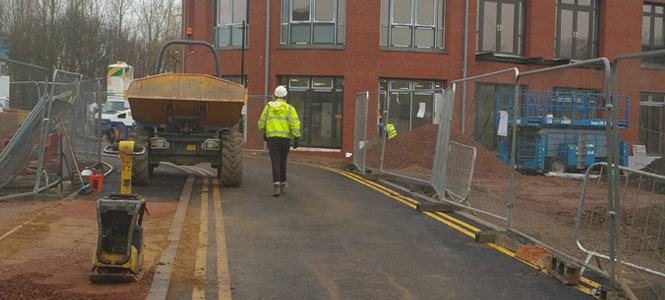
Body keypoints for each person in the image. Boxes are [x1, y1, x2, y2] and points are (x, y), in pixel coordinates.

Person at [258, 85, 301, 196]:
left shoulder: (268, 107)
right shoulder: (289, 109)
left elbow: (261, 123)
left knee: (275, 161)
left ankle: (276, 185)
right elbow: (294, 124)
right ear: (286, 96)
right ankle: (283, 183)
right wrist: (296, 137)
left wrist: (264, 135)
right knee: (283, 160)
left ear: (275, 95)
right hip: (285, 139)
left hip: (272, 139)